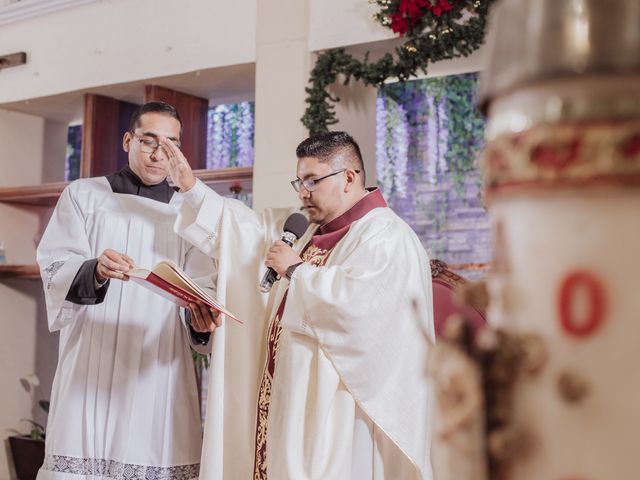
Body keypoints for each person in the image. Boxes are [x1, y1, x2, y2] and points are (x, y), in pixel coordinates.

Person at [165, 131, 435, 480]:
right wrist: (191, 187)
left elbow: (364, 311)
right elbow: (244, 230)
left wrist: (296, 270)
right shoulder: (307, 230)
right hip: (289, 403)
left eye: (312, 181)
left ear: (349, 178)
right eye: (300, 181)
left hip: (341, 415)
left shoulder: (386, 236)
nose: (303, 193)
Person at [36, 101, 219, 480]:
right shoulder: (84, 195)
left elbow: (204, 285)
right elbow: (55, 264)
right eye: (148, 140)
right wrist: (95, 269)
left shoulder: (190, 211)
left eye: (170, 144)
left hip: (158, 361)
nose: (158, 153)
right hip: (91, 354)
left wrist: (199, 317)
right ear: (127, 140)